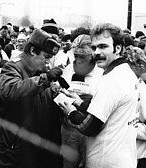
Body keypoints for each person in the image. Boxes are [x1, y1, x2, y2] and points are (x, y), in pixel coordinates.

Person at [59, 23, 139, 168]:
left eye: (103, 46)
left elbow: (88, 127)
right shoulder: (124, 72)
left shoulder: (112, 81)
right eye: (94, 48)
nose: (97, 52)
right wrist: (80, 103)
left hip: (107, 161)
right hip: (121, 157)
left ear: (118, 48)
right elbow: (109, 112)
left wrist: (70, 112)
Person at [0, 29, 63, 168]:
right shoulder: (13, 67)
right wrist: (46, 79)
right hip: (16, 147)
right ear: (32, 51)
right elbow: (10, 90)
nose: (48, 62)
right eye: (46, 57)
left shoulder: (40, 71)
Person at [61, 34, 103, 168]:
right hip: (68, 127)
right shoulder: (68, 70)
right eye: (76, 56)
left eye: (82, 57)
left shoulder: (101, 73)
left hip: (89, 128)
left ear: (92, 55)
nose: (78, 60)